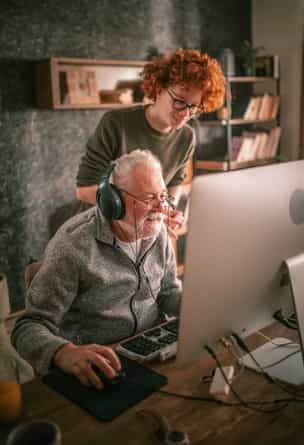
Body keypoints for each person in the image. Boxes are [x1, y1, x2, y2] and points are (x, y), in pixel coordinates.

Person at [11, 150, 181, 390]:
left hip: (155, 351)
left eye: (163, 196)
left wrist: (197, 306)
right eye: (148, 198)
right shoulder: (72, 245)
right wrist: (64, 353)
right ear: (115, 202)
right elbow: (28, 326)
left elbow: (168, 294)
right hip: (97, 366)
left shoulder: (157, 231)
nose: (161, 208)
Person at [76, 48, 226, 231]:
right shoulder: (116, 123)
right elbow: (84, 190)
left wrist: (168, 211)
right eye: (179, 101)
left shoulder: (187, 137)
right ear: (159, 88)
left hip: (145, 232)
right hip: (102, 228)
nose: (185, 113)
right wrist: (139, 211)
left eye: (194, 107)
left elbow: (173, 185)